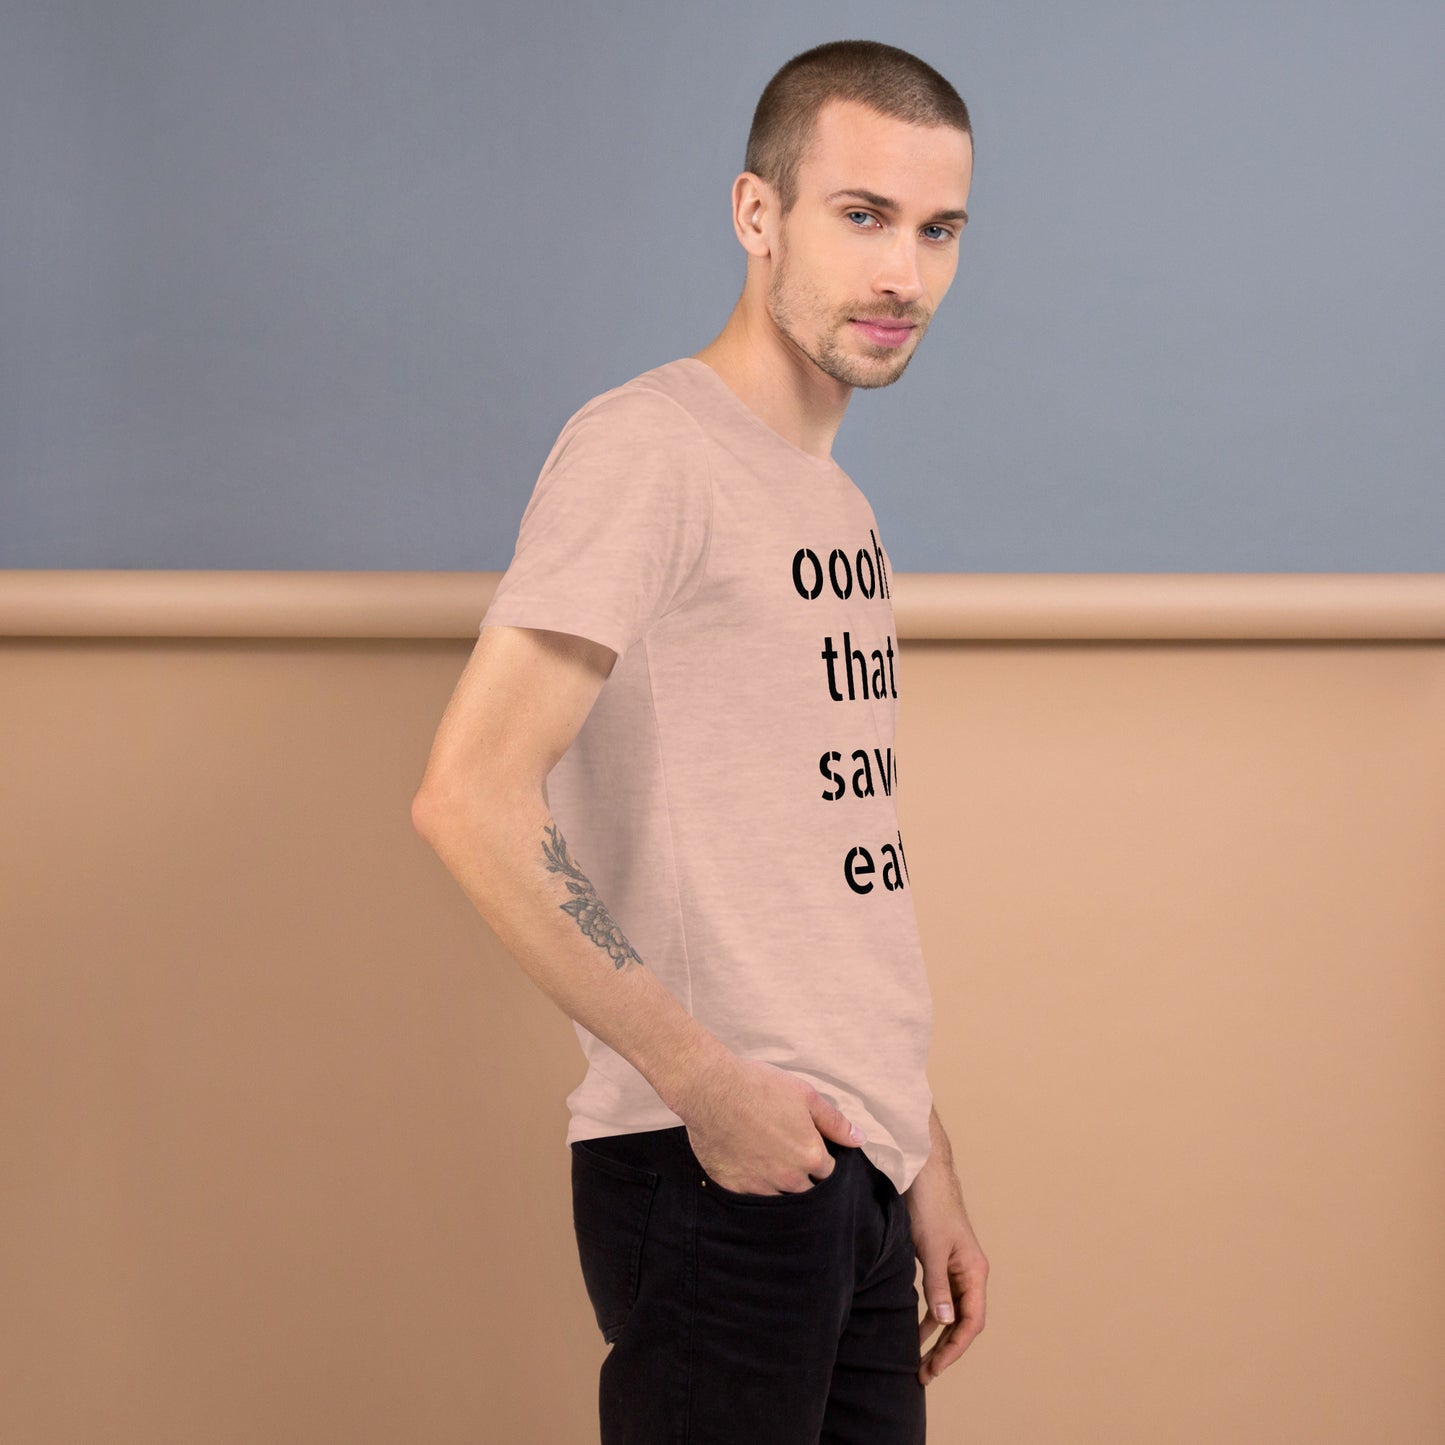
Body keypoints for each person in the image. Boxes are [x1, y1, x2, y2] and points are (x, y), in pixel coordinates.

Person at [412, 37, 988, 1444]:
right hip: (719, 1166)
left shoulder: (837, 510)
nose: (902, 273)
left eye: (936, 230)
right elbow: (469, 796)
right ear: (756, 213)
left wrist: (919, 1148)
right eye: (861, 216)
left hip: (852, 1174)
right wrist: (705, 1082)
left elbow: (824, 860)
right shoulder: (649, 450)